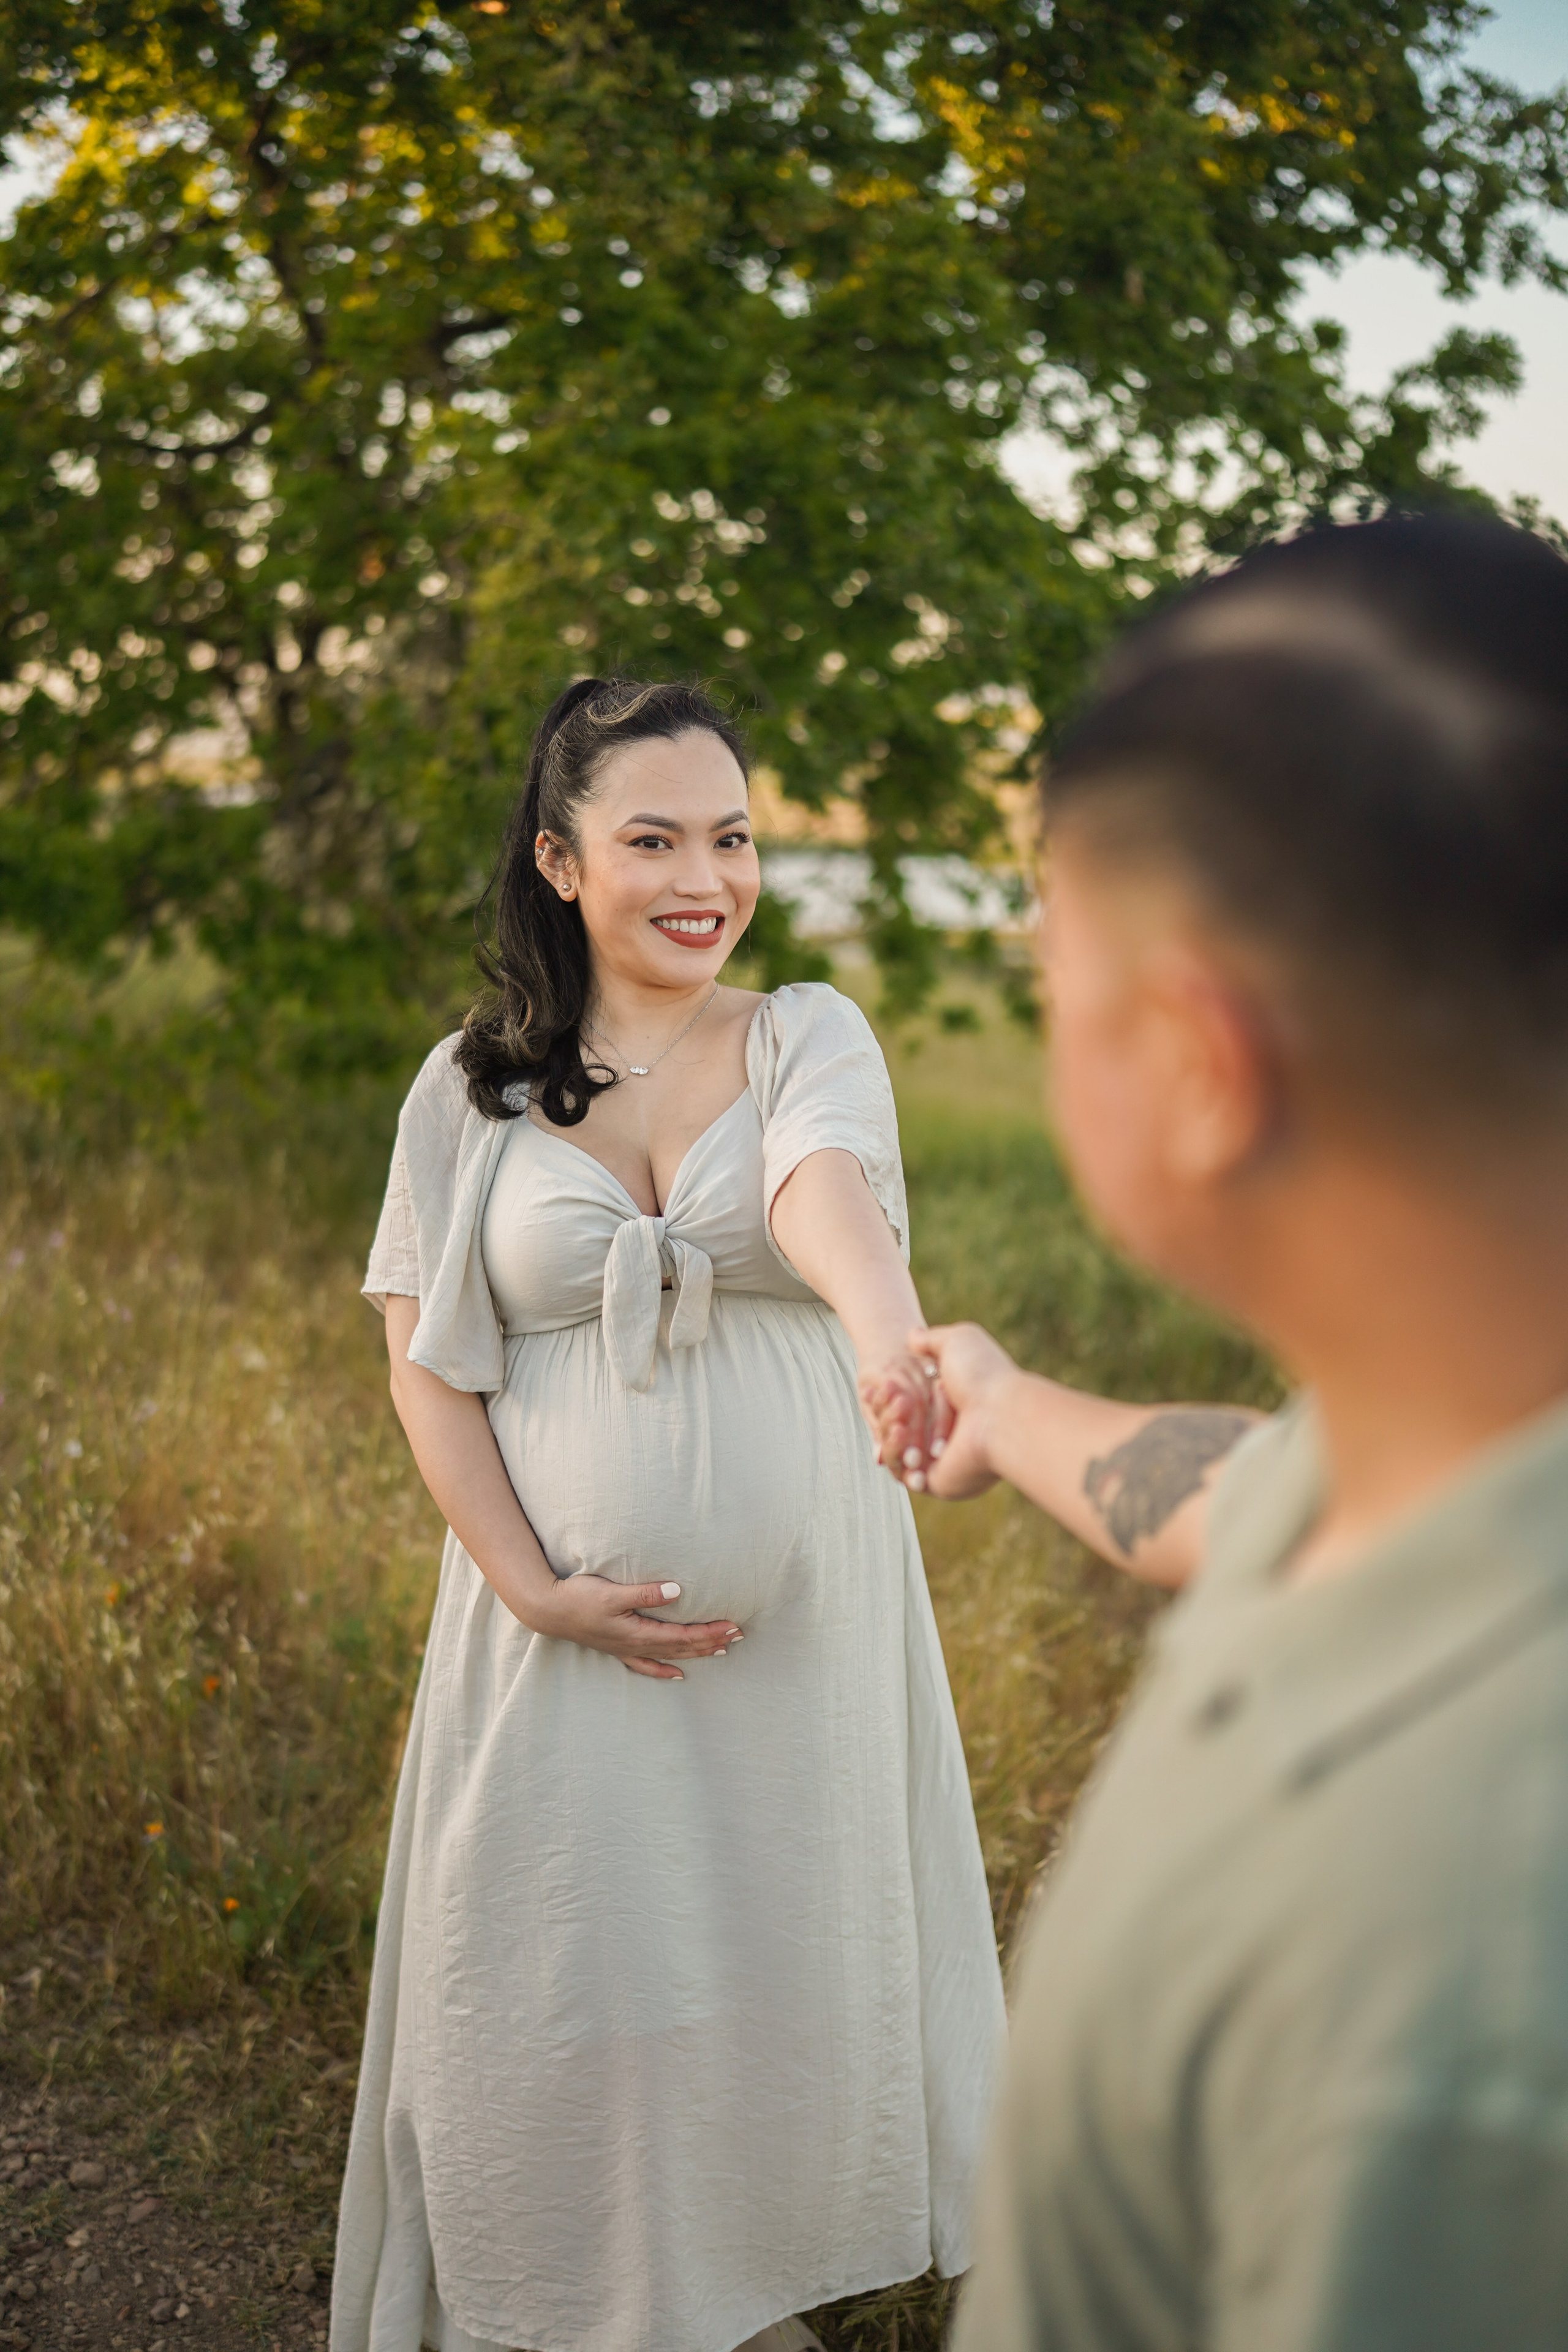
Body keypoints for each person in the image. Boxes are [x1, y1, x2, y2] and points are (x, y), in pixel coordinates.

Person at [873, 512, 1568, 2348]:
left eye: (1051, 972)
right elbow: (1252, 1490)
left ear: (1196, 1067)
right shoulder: (1457, 1444)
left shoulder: (1447, 2004)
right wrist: (1008, 1410)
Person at [330, 677, 1004, 2352]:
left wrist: (887, 1346)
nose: (705, 876)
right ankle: (594, 2307)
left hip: (811, 1641)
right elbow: (426, 1368)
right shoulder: (469, 1092)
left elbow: (818, 1187)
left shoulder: (801, 1034)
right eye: (653, 839)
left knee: (774, 1977)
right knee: (560, 1985)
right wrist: (531, 1584)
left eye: (733, 835)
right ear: (562, 862)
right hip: (556, 1636)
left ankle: (731, 2301)